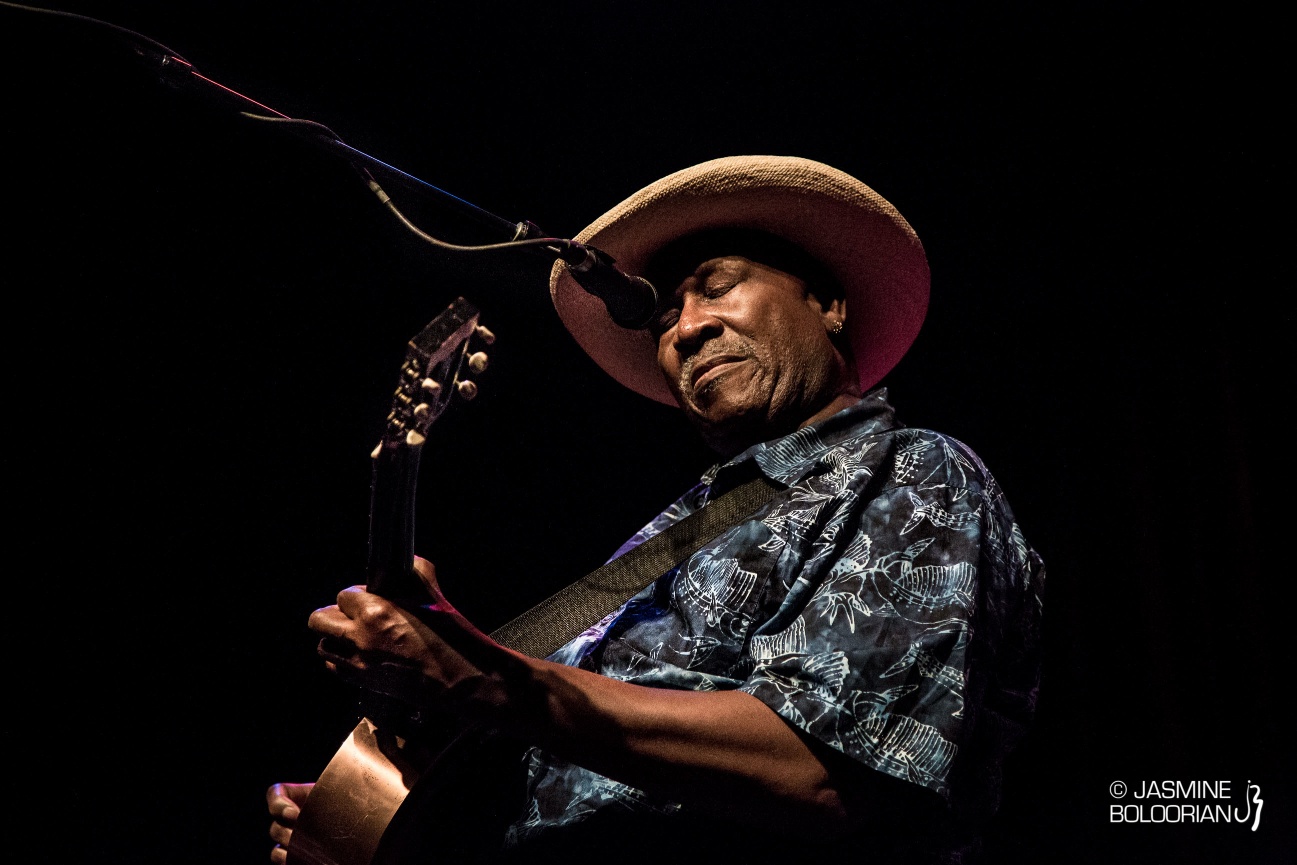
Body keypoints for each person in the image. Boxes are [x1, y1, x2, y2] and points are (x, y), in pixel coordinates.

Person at [267, 155, 1046, 865]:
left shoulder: (914, 468)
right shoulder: (681, 529)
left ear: (829, 303)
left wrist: (483, 679)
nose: (686, 328)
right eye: (664, 314)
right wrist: (370, 814)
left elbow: (819, 773)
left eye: (717, 285)